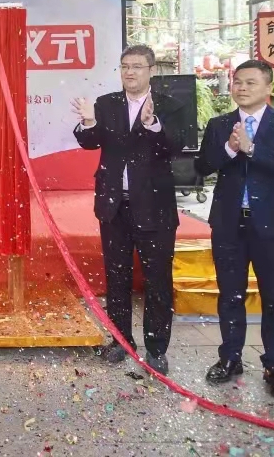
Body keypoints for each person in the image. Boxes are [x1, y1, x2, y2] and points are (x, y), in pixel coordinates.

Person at [71, 44, 188, 375]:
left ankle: (156, 348)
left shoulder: (170, 106)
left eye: (137, 66)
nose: (130, 72)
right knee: (117, 277)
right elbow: (90, 142)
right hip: (114, 206)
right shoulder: (107, 103)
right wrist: (88, 122)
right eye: (125, 66)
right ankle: (121, 341)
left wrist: (153, 125)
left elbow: (176, 145)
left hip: (155, 207)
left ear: (151, 70)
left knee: (157, 280)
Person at [195, 59, 274, 404]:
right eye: (237, 82)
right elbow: (202, 165)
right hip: (229, 223)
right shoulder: (219, 125)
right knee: (230, 295)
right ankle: (230, 358)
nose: (241, 88)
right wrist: (230, 149)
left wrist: (252, 148)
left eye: (250, 82)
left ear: (268, 87)